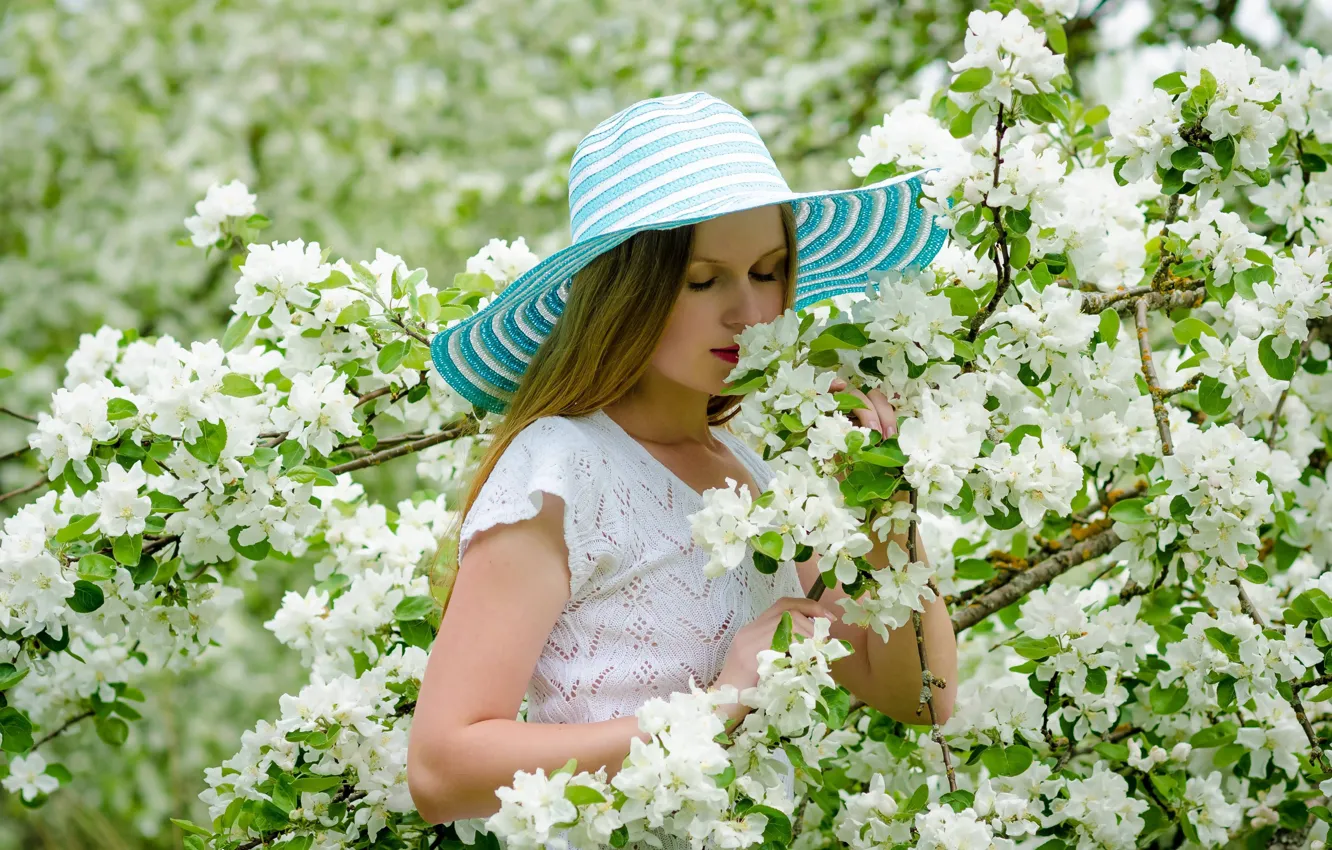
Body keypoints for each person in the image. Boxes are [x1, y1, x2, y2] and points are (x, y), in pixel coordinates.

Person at [406, 91, 958, 846]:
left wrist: (883, 495)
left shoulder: (754, 469)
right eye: (704, 281)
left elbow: (919, 693)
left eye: (768, 271)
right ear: (627, 294)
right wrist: (720, 705)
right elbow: (442, 770)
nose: (749, 311)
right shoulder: (561, 472)